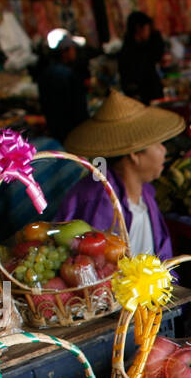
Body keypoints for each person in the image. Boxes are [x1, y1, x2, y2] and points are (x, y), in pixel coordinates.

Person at [55, 90, 184, 258]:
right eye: (158, 143)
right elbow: (96, 267)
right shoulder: (98, 199)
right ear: (135, 154)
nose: (164, 149)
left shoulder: (146, 193)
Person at [37, 36, 87, 144]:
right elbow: (78, 106)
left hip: (56, 129)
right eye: (73, 49)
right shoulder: (68, 75)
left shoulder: (46, 73)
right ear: (65, 52)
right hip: (72, 129)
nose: (75, 53)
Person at [119, 11, 166, 104]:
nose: (149, 31)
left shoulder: (144, 45)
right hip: (143, 99)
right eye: (147, 28)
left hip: (150, 96)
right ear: (138, 28)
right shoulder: (129, 53)